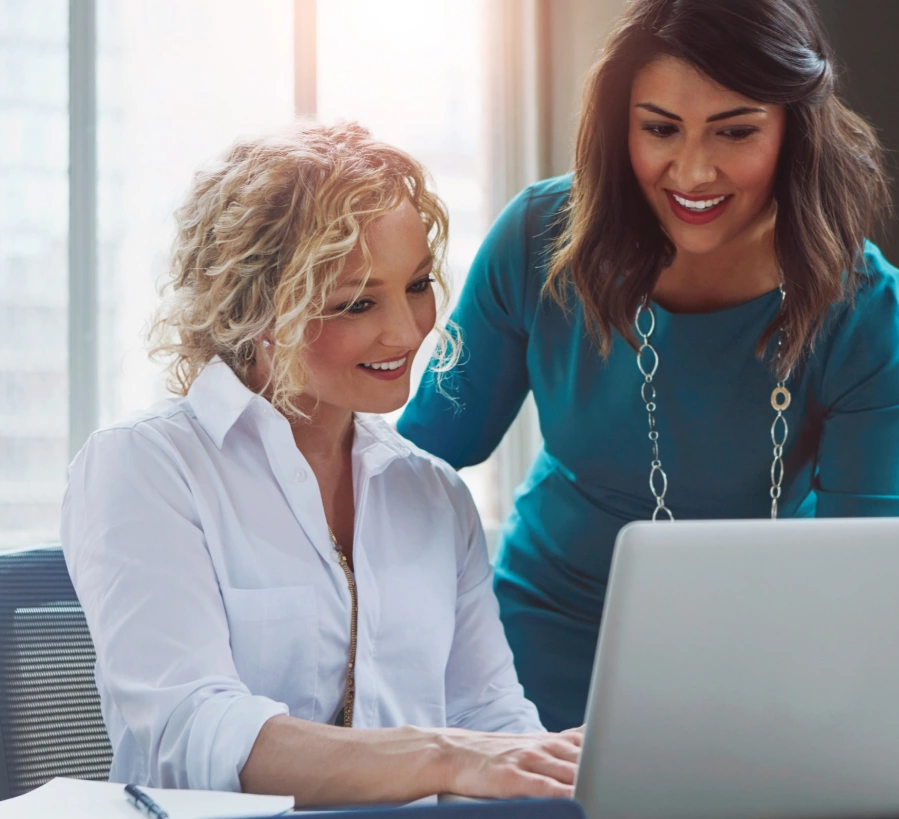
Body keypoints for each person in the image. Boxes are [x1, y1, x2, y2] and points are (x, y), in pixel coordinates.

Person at [399, 0, 899, 731]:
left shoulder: (870, 315)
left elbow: (859, 582)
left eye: (735, 130)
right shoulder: (537, 240)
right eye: (659, 129)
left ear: (795, 129)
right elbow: (416, 461)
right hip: (536, 661)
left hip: (770, 672)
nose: (692, 170)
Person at [61, 122, 581, 806]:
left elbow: (491, 719)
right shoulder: (147, 466)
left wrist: (570, 768)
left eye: (418, 284)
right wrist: (443, 752)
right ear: (254, 307)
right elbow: (194, 731)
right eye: (357, 303)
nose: (406, 330)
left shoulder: (433, 493)